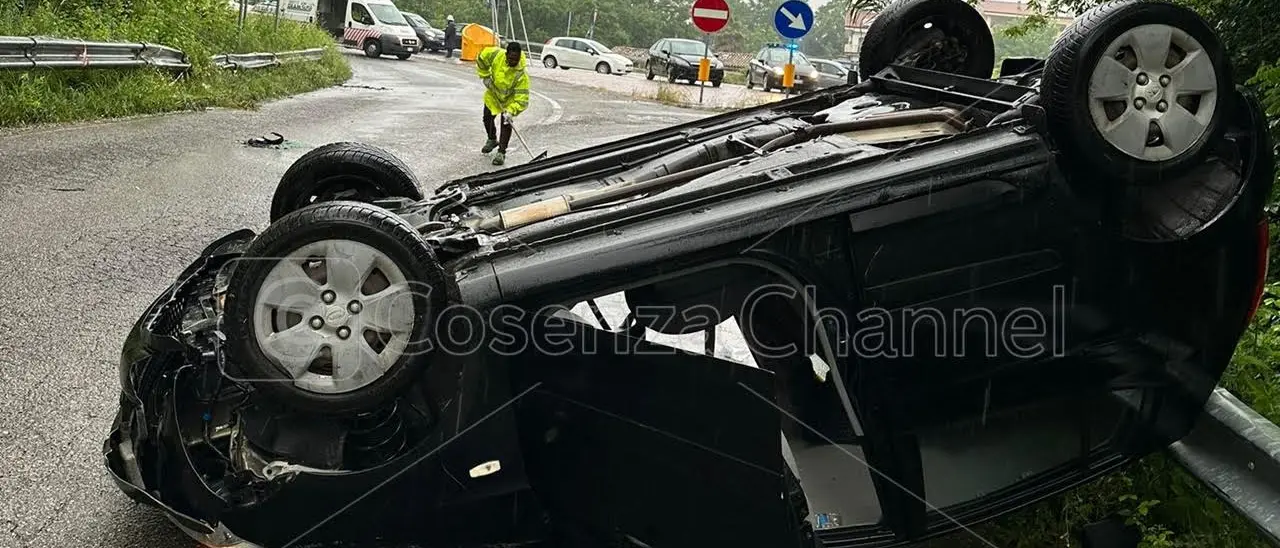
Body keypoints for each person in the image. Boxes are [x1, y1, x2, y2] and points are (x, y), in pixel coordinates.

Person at [475, 41, 529, 166]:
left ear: (520, 56)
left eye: (516, 60)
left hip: (509, 100)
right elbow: (481, 57)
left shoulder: (521, 74)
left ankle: (501, 152)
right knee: (487, 118)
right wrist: (485, 76)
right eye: (510, 59)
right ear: (506, 55)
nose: (513, 62)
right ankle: (492, 139)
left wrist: (511, 111)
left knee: (506, 123)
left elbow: (522, 99)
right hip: (494, 94)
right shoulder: (495, 55)